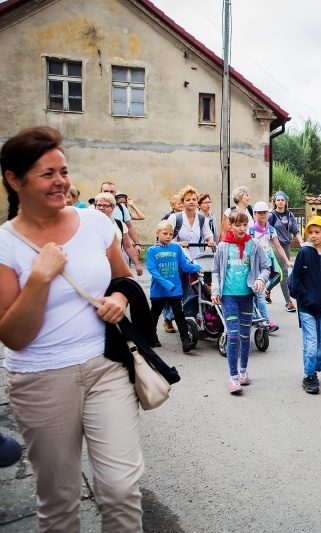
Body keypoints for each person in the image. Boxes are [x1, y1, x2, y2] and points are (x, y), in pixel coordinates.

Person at [0, 126, 144, 530]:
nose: (61, 181)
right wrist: (40, 279)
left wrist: (119, 299)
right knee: (60, 503)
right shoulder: (5, 244)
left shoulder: (96, 224)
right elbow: (12, 335)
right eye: (47, 173)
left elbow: (125, 280)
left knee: (120, 489)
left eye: (63, 171)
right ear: (15, 179)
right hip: (40, 380)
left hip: (106, 367)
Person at [211, 209, 270, 394]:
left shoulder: (254, 245)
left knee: (245, 336)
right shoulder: (223, 246)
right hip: (228, 297)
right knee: (234, 335)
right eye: (237, 225)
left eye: (245, 224)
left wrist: (261, 279)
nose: (242, 228)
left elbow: (266, 267)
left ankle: (243, 371)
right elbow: (215, 271)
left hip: (247, 296)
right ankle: (233, 377)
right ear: (230, 226)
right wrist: (215, 290)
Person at [288, 216, 321, 394]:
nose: (313, 236)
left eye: (317, 232)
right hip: (306, 307)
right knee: (310, 344)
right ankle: (308, 376)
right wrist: (304, 297)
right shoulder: (304, 253)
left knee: (319, 345)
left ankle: (314, 371)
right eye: (310, 232)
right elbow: (295, 280)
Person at [161, 186, 215, 333]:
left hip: (195, 258)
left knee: (196, 290)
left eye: (194, 199)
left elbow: (207, 233)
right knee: (175, 290)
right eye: (188, 199)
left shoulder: (202, 218)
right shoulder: (175, 218)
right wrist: (178, 243)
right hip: (177, 258)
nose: (191, 202)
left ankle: (198, 320)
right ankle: (167, 317)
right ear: (182, 202)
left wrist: (210, 240)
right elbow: (165, 238)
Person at [146, 220, 201, 352]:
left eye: (171, 234)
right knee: (154, 315)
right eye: (165, 233)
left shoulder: (176, 248)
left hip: (175, 290)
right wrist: (167, 284)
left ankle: (185, 342)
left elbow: (184, 265)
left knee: (179, 315)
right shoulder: (151, 251)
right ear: (157, 233)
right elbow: (152, 270)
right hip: (159, 290)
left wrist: (198, 267)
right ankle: (151, 337)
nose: (168, 236)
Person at [250, 200, 292, 333]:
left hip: (267, 263)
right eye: (259, 213)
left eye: (264, 213)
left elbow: (278, 246)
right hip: (254, 263)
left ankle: (258, 318)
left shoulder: (271, 229)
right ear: (255, 214)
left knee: (259, 292)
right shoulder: (251, 230)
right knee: (259, 293)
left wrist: (286, 261)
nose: (262, 215)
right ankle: (265, 321)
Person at [268, 191, 303, 312]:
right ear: (275, 202)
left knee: (281, 274)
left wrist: (301, 243)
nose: (280, 202)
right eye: (278, 200)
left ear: (286, 201)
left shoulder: (289, 215)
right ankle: (288, 302)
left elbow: (295, 230)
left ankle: (267, 290)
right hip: (274, 245)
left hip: (286, 245)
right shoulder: (271, 215)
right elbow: (265, 230)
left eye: (282, 200)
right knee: (284, 271)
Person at [95, 192, 144, 277]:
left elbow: (128, 246)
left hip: (116, 265)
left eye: (106, 205)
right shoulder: (90, 223)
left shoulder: (119, 224)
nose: (101, 208)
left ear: (112, 208)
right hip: (96, 266)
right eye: (99, 205)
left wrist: (137, 264)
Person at [100, 181, 143, 259]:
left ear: (115, 193)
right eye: (106, 191)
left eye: (111, 191)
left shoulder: (121, 208)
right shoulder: (92, 208)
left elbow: (129, 226)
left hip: (120, 252)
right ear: (100, 192)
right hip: (100, 253)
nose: (109, 193)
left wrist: (137, 244)